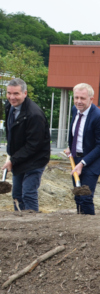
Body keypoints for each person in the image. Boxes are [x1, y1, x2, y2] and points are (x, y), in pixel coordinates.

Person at [2, 78, 51, 212]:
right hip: (20, 157)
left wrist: (13, 160)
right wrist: (11, 154)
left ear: (25, 93)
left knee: (28, 194)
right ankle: (19, 225)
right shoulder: (9, 106)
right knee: (17, 195)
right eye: (9, 93)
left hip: (35, 159)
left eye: (16, 94)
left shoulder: (34, 115)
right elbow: (11, 132)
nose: (12, 97)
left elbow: (34, 145)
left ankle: (32, 226)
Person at [65, 83, 100, 215]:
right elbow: (78, 134)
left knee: (85, 197)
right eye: (76, 97)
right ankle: (80, 225)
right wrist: (71, 147)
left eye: (82, 98)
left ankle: (90, 229)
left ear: (91, 99)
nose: (78, 101)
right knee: (78, 196)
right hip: (76, 158)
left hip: (92, 161)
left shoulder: (99, 117)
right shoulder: (75, 110)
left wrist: (83, 163)